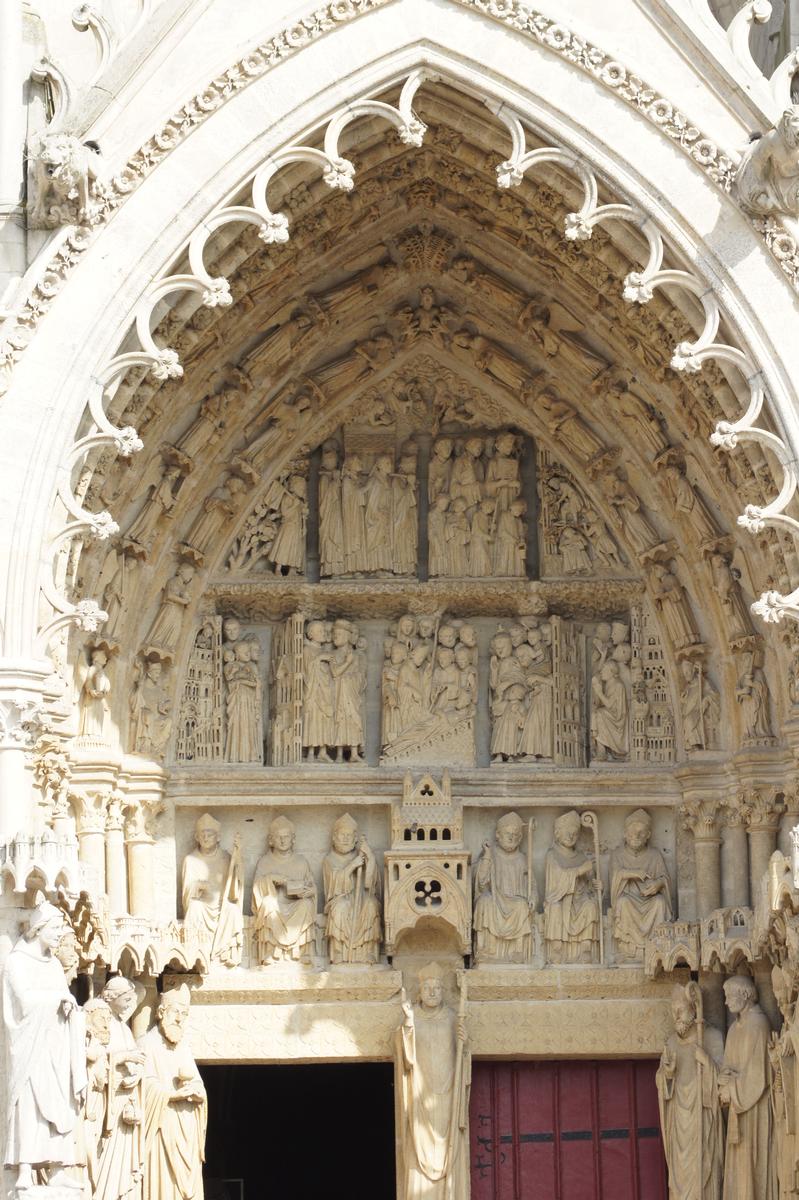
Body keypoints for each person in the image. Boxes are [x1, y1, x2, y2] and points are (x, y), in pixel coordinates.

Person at [3, 901, 87, 1193]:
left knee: (59, 1104)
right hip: (30, 1046)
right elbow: (23, 1002)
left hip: (55, 1046)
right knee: (29, 1105)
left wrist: (69, 1008)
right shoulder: (16, 961)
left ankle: (57, 1169)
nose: (58, 937)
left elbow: (63, 1001)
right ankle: (25, 1167)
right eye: (54, 930)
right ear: (39, 929)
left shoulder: (52, 964)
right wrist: (56, 999)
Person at [397, 964, 469, 1200]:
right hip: (420, 1097)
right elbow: (405, 1058)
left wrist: (464, 1043)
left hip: (448, 1098)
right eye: (427, 987)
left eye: (437, 987)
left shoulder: (451, 1018)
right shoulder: (413, 1017)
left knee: (451, 1147)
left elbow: (462, 1058)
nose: (432, 992)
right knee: (416, 1148)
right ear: (419, 990)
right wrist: (408, 1025)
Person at [656, 983, 724, 1200]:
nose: (676, 1016)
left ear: (694, 1010)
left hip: (703, 1121)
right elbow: (662, 1083)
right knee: (681, 1180)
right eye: (673, 1011)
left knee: (705, 1172)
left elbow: (724, 1086)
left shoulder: (711, 1038)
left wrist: (707, 1063)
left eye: (680, 1010)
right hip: (679, 1125)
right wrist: (666, 1075)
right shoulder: (671, 1044)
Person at [140, 986, 206, 1200]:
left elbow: (198, 1083)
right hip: (161, 1126)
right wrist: (171, 1095)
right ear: (160, 1013)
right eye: (175, 1012)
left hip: (186, 1129)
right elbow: (143, 1086)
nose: (179, 1019)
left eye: (184, 1014)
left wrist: (198, 1092)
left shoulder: (183, 1048)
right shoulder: (146, 1044)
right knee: (163, 1185)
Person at [718, 975, 775, 1200]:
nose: (725, 1002)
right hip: (737, 1109)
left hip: (754, 1109)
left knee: (752, 1164)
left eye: (729, 996)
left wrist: (731, 1088)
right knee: (738, 1166)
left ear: (744, 994)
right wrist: (723, 1080)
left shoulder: (759, 1024)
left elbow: (757, 1074)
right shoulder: (734, 1029)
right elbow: (728, 1066)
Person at [96, 975, 145, 1200]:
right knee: (104, 1157)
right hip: (108, 1104)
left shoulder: (123, 1027)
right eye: (126, 998)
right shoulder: (100, 1020)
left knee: (122, 1163)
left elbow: (131, 1059)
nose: (129, 1002)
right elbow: (93, 1059)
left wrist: (136, 1074)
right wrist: (125, 1057)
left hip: (126, 1104)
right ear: (111, 997)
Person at [251, 815, 317, 964]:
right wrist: (270, 878)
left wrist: (308, 892)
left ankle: (301, 951)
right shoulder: (265, 862)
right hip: (276, 905)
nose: (282, 840)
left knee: (307, 904)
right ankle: (271, 950)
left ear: (293, 839)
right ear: (271, 840)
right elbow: (256, 889)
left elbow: (312, 887)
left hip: (296, 905)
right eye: (278, 837)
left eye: (286, 837)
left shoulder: (301, 862)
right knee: (268, 903)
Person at [181, 813, 243, 966]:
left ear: (218, 837)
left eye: (210, 834)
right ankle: (196, 953)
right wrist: (197, 886)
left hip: (222, 905)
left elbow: (236, 885)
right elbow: (186, 894)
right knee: (195, 907)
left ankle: (226, 953)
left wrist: (237, 859)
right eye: (203, 834)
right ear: (196, 837)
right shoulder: (190, 860)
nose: (206, 838)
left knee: (233, 910)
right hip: (202, 905)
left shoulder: (226, 857)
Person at [473, 812, 536, 963]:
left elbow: (532, 885)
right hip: (495, 899)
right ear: (497, 835)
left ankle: (518, 951)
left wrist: (533, 896)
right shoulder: (491, 854)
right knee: (484, 901)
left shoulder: (522, 859)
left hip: (515, 901)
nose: (511, 837)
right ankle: (486, 949)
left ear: (520, 838)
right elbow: (481, 882)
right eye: (507, 833)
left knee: (522, 905)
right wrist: (487, 855)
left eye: (515, 835)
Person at [609, 809, 672, 960]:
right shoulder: (617, 855)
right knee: (623, 903)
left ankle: (657, 946)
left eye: (641, 833)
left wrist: (658, 884)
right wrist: (634, 873)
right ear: (625, 834)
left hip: (649, 900)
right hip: (629, 898)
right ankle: (629, 948)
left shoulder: (654, 855)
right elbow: (615, 877)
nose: (636, 836)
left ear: (648, 835)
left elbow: (665, 878)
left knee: (660, 902)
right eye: (632, 832)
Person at [322, 813, 381, 964]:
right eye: (342, 835)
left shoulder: (361, 856)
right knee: (340, 908)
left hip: (361, 898)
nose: (346, 838)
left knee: (371, 905)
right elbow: (334, 887)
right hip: (340, 899)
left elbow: (371, 884)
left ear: (355, 839)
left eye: (349, 835)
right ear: (334, 838)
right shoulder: (330, 859)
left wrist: (370, 859)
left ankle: (367, 951)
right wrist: (352, 866)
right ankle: (338, 951)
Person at [543, 810, 599, 964]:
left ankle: (585, 947)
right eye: (567, 832)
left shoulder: (582, 857)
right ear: (557, 833)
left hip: (579, 900)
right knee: (554, 908)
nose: (571, 836)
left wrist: (596, 885)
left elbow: (590, 886)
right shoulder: (552, 855)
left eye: (574, 833)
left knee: (590, 905)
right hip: (559, 899)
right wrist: (580, 870)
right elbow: (557, 880)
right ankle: (556, 948)